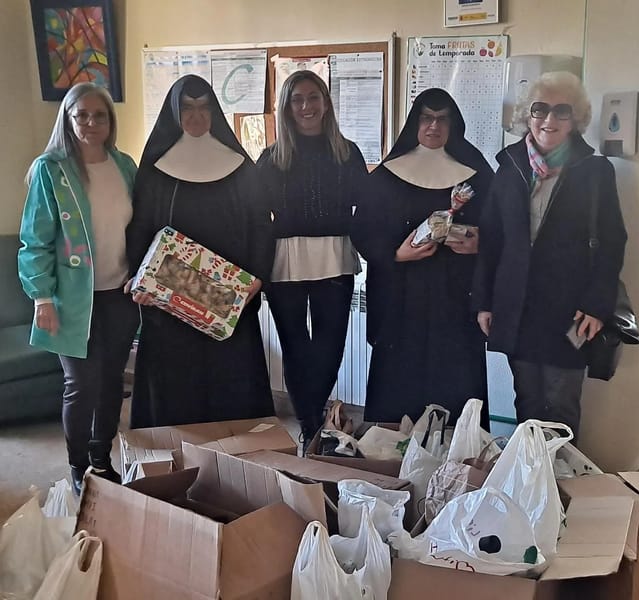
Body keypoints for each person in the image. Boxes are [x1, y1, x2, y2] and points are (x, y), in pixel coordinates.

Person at [471, 71, 627, 439]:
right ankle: (528, 485)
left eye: (562, 111)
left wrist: (597, 305)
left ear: (576, 120)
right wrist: (484, 301)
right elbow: (491, 239)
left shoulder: (594, 171)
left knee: (561, 405)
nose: (549, 120)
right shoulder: (509, 167)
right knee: (525, 401)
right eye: (540, 109)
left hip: (570, 310)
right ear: (528, 114)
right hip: (517, 305)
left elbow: (612, 241)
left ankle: (558, 485)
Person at [126, 75, 274, 428]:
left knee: (231, 385)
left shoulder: (240, 167)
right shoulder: (156, 170)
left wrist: (258, 278)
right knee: (177, 388)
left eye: (203, 106)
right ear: (175, 113)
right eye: (187, 108)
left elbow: (262, 228)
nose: (196, 116)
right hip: (170, 301)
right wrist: (139, 279)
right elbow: (140, 228)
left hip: (228, 298)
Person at [18, 83, 140, 495]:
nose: (90, 123)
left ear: (110, 121)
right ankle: (77, 464)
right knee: (81, 384)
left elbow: (138, 229)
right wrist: (42, 297)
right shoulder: (51, 171)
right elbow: (35, 241)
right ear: (68, 119)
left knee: (110, 384)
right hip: (71, 301)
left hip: (119, 295)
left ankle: (101, 457)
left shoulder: (125, 166)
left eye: (99, 115)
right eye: (81, 115)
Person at [352, 88, 493, 428]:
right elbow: (362, 231)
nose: (434, 126)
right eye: (426, 118)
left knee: (456, 382)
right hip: (403, 299)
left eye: (442, 119)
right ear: (415, 122)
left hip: (457, 299)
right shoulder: (387, 175)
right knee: (400, 382)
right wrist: (394, 253)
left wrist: (479, 243)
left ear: (453, 124)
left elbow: (502, 229)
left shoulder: (478, 174)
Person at [257, 70, 367, 445]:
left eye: (313, 97)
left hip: (335, 256)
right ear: (286, 107)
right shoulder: (271, 157)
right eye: (297, 99)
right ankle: (310, 428)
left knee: (330, 348)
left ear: (325, 101)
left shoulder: (347, 152)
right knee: (296, 350)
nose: (306, 106)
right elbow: (255, 215)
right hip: (284, 261)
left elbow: (366, 207)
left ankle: (313, 419)